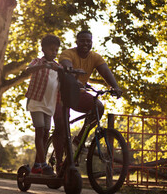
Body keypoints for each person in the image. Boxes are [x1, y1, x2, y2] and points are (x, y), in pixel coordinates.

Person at [53, 30, 123, 172]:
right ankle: (59, 162)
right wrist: (73, 77)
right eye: (82, 40)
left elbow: (105, 71)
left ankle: (79, 139)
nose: (85, 43)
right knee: (61, 125)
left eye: (88, 41)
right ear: (77, 42)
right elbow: (67, 67)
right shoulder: (68, 53)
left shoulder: (95, 57)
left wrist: (115, 86)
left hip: (78, 94)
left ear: (91, 42)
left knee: (98, 107)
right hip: (60, 94)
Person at [25, 34, 62, 175]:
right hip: (36, 102)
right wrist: (42, 65)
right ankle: (45, 165)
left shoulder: (58, 67)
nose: (54, 52)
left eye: (56, 50)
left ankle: (37, 165)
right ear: (43, 49)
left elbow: (65, 79)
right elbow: (28, 70)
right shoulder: (37, 62)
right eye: (51, 49)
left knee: (46, 134)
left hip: (49, 105)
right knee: (39, 131)